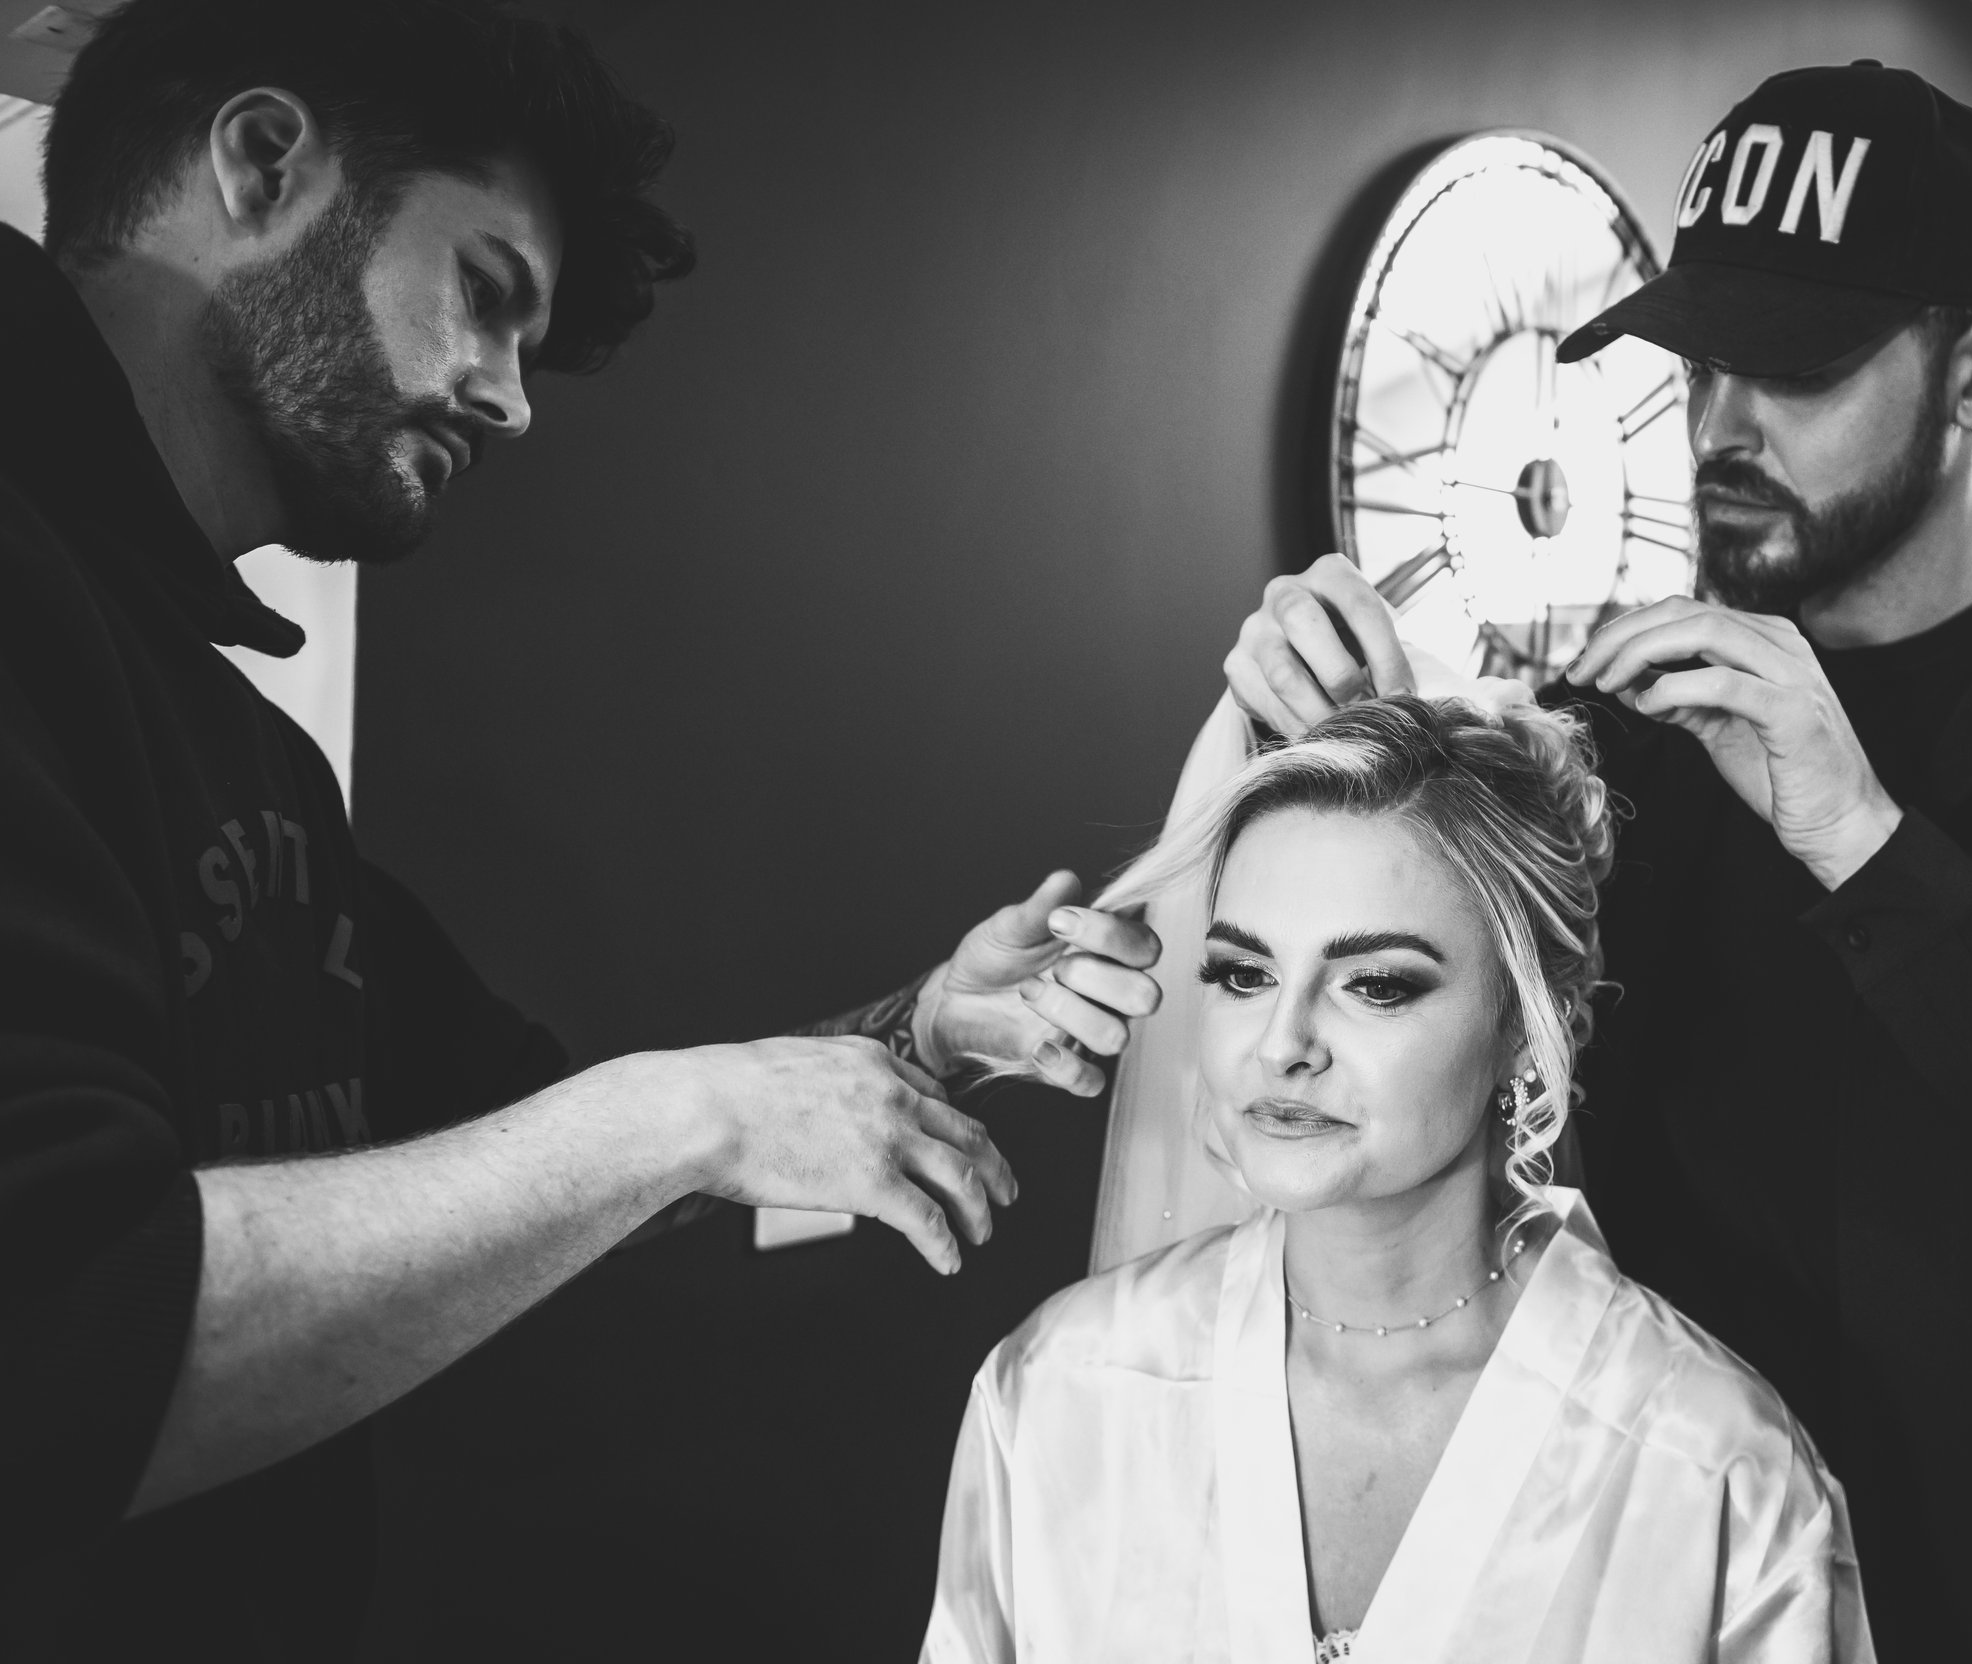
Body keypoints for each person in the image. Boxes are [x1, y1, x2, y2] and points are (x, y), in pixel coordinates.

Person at [0, 2, 1157, 1655]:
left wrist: (927, 1035)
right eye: (484, 294)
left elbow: (548, 1159)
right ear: (262, 164)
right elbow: (55, 1331)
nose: (512, 400)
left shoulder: (240, 757)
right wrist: (667, 1116)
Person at [1224, 60, 1972, 1663]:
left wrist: (1872, 850)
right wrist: (1325, 790)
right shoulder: (1619, 731)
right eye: (1697, 363)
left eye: (1795, 371)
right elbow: (1444, 1115)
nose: (1719, 428)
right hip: (1686, 1605)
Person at [923, 693, 1874, 1663]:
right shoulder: (1060, 1390)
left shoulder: (1715, 1468)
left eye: (1373, 982)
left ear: (1522, 1021)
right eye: (1243, 974)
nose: (1283, 1043)